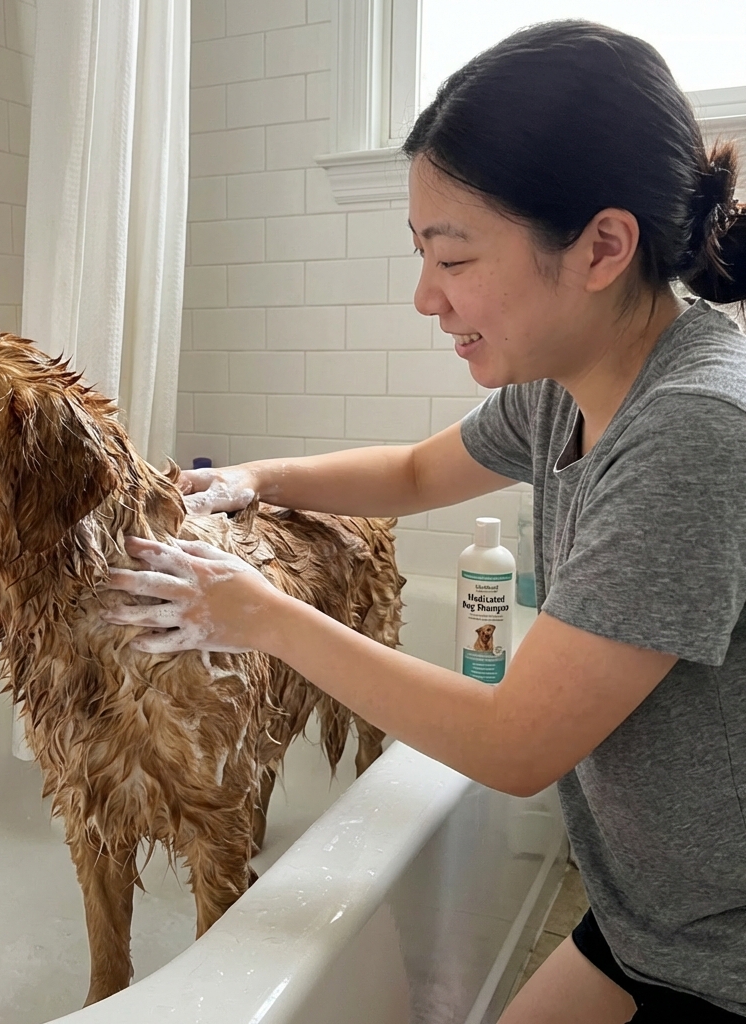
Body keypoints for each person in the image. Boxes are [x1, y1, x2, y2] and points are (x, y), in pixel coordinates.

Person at [102, 20, 746, 1023]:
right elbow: (410, 471)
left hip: (724, 948)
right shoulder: (565, 385)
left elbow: (513, 744)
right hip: (646, 916)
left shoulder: (693, 428)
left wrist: (259, 614)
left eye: (453, 257)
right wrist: (250, 479)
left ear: (601, 247)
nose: (423, 297)